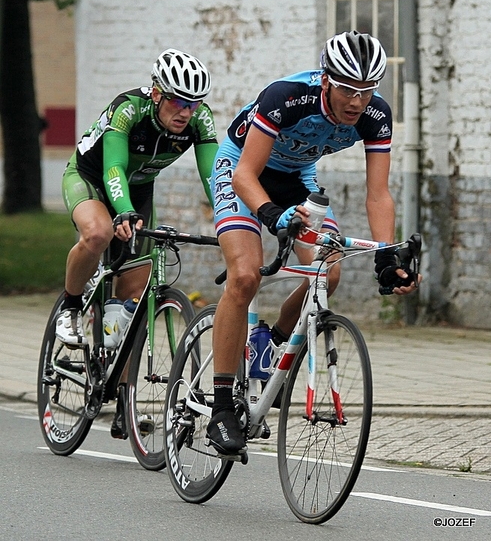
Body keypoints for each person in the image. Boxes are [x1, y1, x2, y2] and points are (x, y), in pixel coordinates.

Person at [207, 31, 420, 457]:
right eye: (347, 89)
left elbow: (378, 194)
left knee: (330, 270)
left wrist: (385, 254)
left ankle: (272, 343)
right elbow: (244, 175)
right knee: (245, 276)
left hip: (297, 179)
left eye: (366, 90)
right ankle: (221, 407)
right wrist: (269, 214)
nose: (357, 101)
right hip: (243, 170)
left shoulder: (376, 115)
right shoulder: (286, 97)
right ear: (326, 80)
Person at [55, 48, 218, 437]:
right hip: (92, 178)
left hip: (139, 192)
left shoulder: (200, 121)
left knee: (131, 303)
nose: (186, 112)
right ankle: (72, 305)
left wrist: (234, 220)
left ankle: (123, 399)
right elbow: (114, 166)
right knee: (98, 233)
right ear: (158, 94)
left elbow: (214, 178)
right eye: (178, 101)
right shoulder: (128, 108)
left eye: (193, 104)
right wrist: (123, 211)